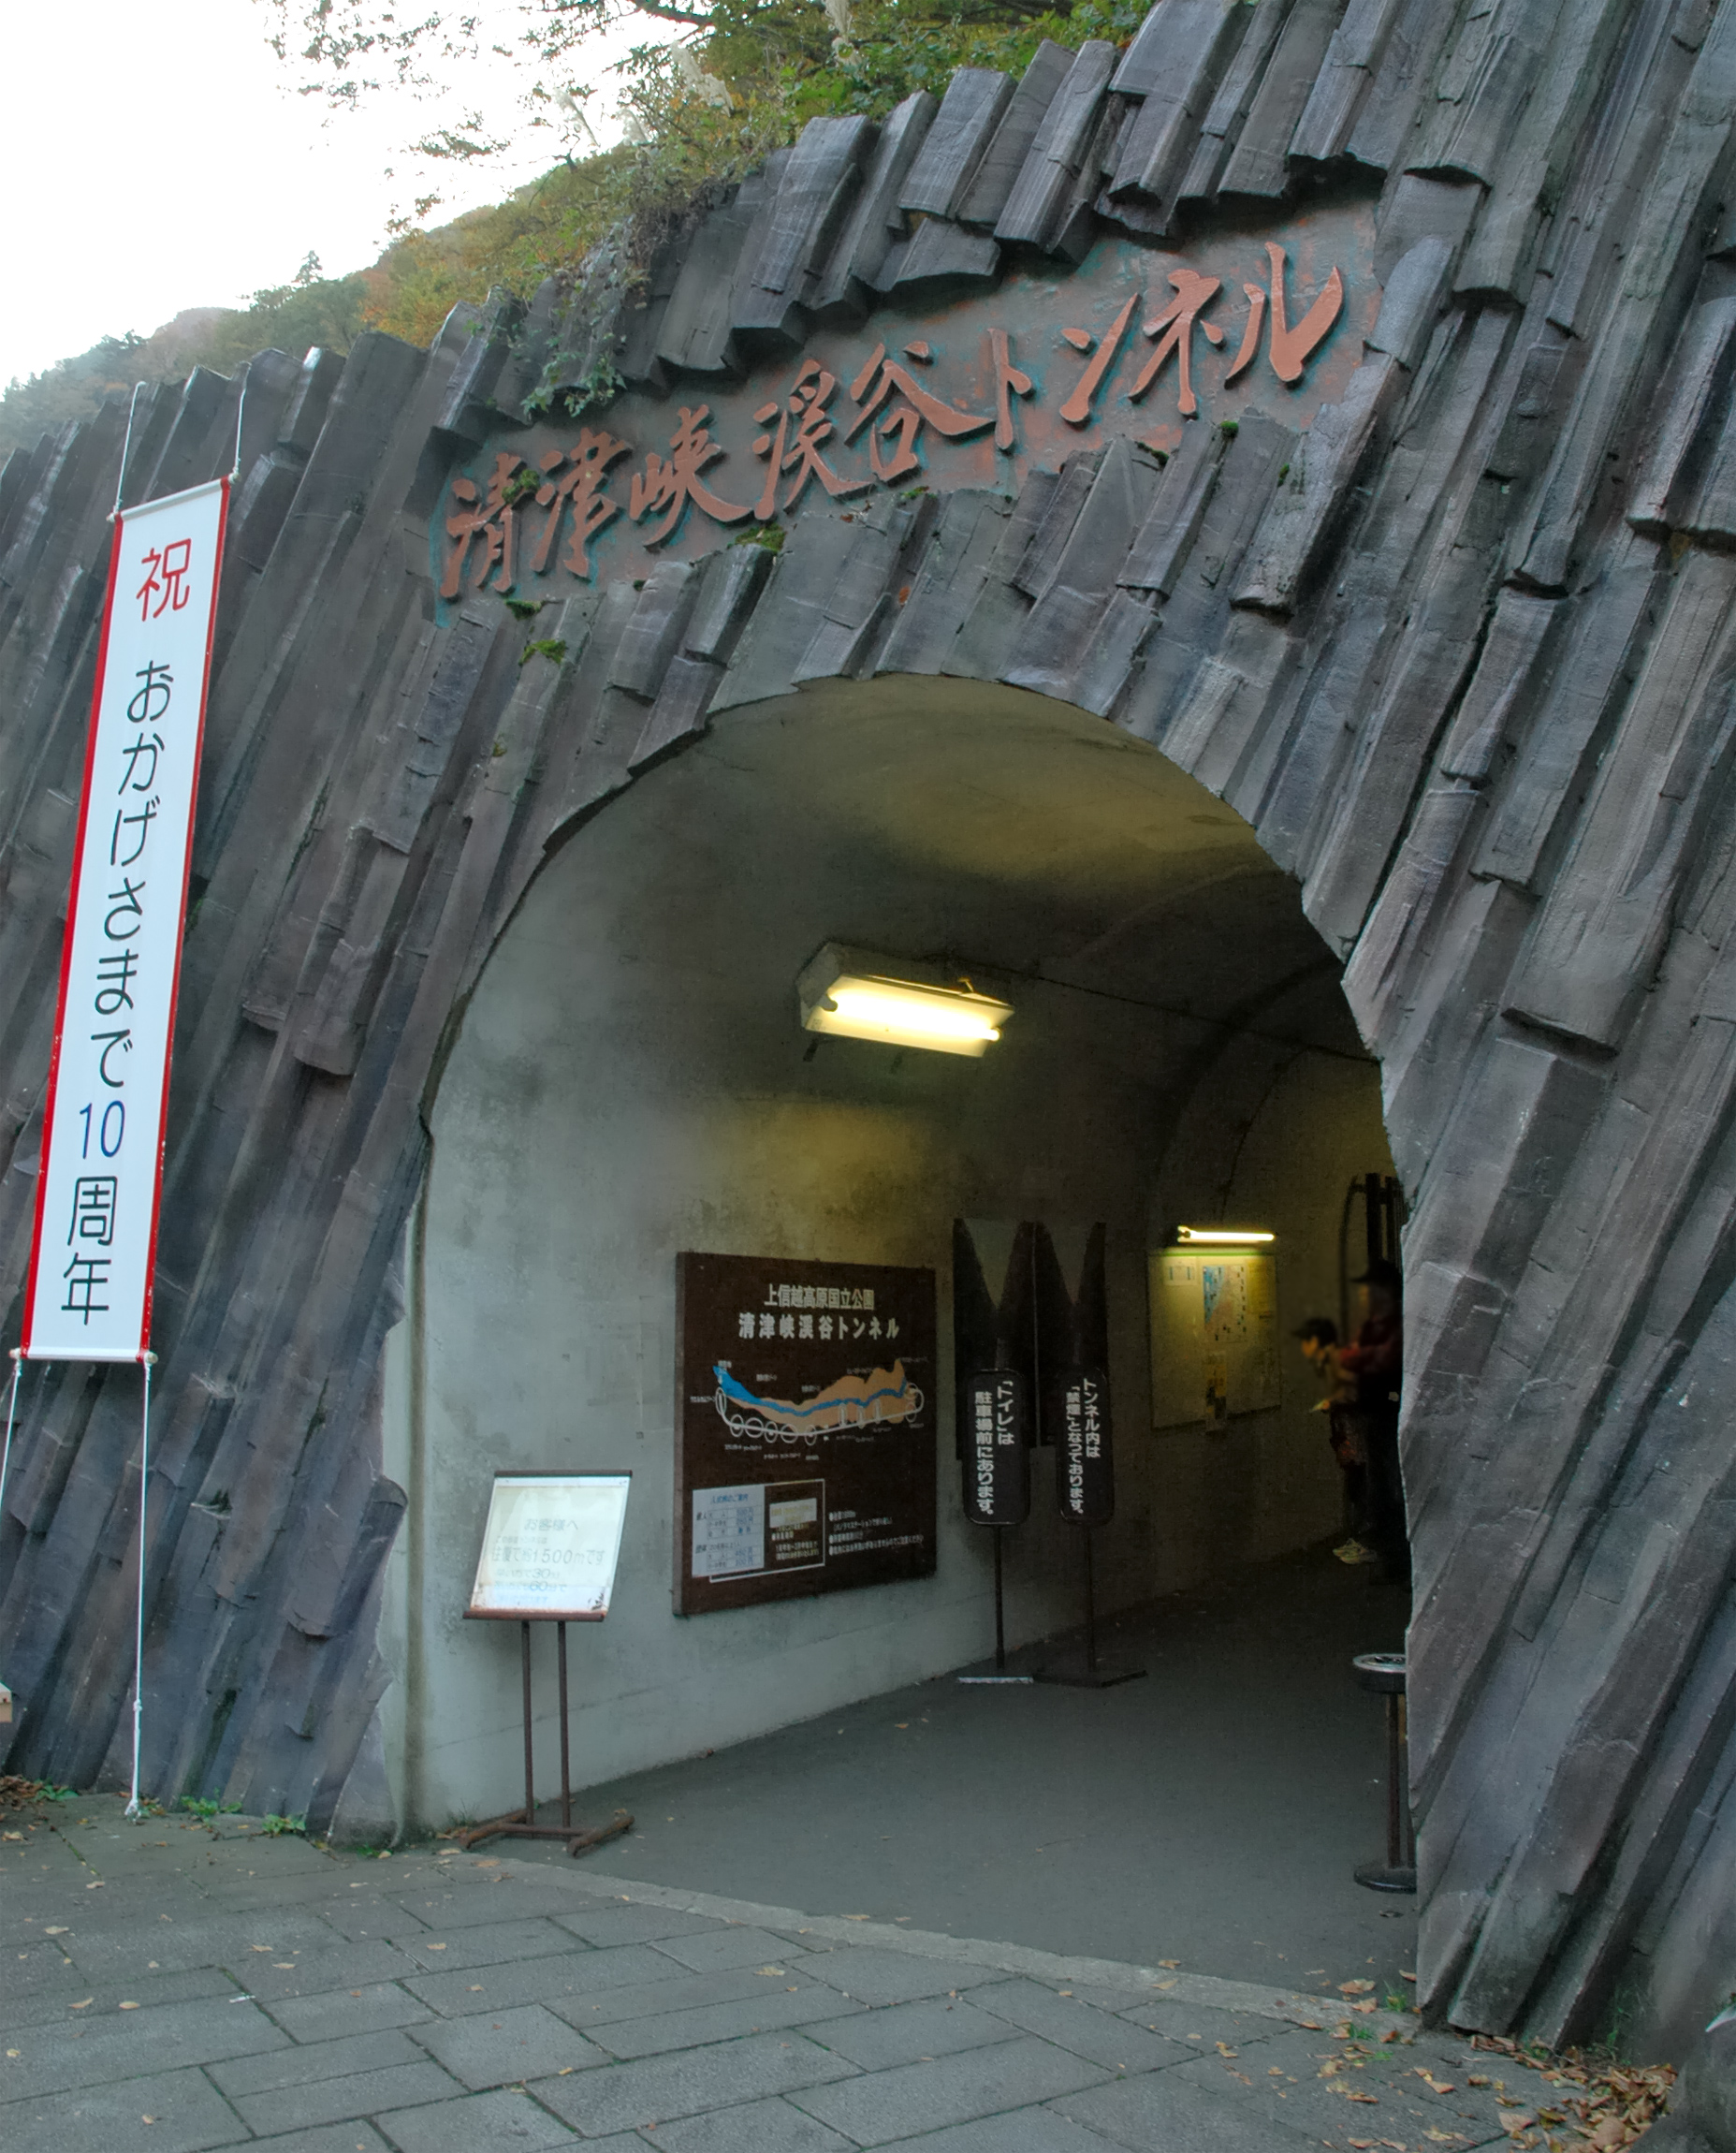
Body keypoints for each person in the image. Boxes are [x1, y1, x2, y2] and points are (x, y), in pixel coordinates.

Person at [1337, 1259, 1407, 1585]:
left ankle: (1400, 1562)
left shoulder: (1395, 1326)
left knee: (1393, 1488)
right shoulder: (1383, 1325)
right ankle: (1395, 1562)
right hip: (1378, 1415)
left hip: (1388, 1416)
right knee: (1383, 1490)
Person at [1293, 1316, 1374, 1563]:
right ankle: (1360, 1540)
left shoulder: (1339, 1361)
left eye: (1305, 1342)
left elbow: (1357, 1394)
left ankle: (1364, 1543)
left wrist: (1333, 1402)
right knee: (1357, 1489)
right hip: (1352, 1439)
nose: (1303, 1349)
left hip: (1355, 1439)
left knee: (1359, 1489)